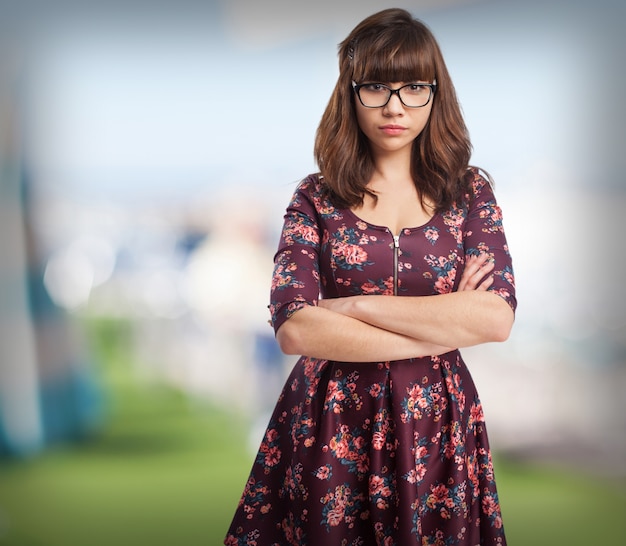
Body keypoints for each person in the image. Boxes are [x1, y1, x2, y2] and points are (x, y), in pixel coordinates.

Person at [224, 7, 516, 546]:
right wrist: (444, 321)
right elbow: (295, 328)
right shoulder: (314, 197)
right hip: (329, 422)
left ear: (436, 93)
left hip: (438, 427)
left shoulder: (471, 193)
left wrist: (352, 305)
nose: (395, 107)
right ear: (350, 94)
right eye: (376, 88)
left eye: (413, 88)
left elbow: (495, 319)